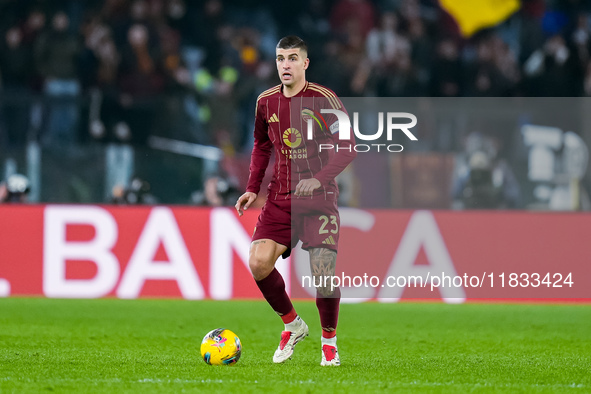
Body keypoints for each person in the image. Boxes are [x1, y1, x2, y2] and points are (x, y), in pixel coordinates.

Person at [235, 35, 356, 366]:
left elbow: (348, 145)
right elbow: (261, 146)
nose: (284, 64)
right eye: (279, 58)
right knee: (258, 262)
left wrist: (319, 178)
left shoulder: (324, 98)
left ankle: (329, 342)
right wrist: (251, 187)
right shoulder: (265, 102)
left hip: (318, 198)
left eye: (291, 58)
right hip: (280, 197)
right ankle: (293, 324)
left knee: (323, 274)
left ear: (305, 63)